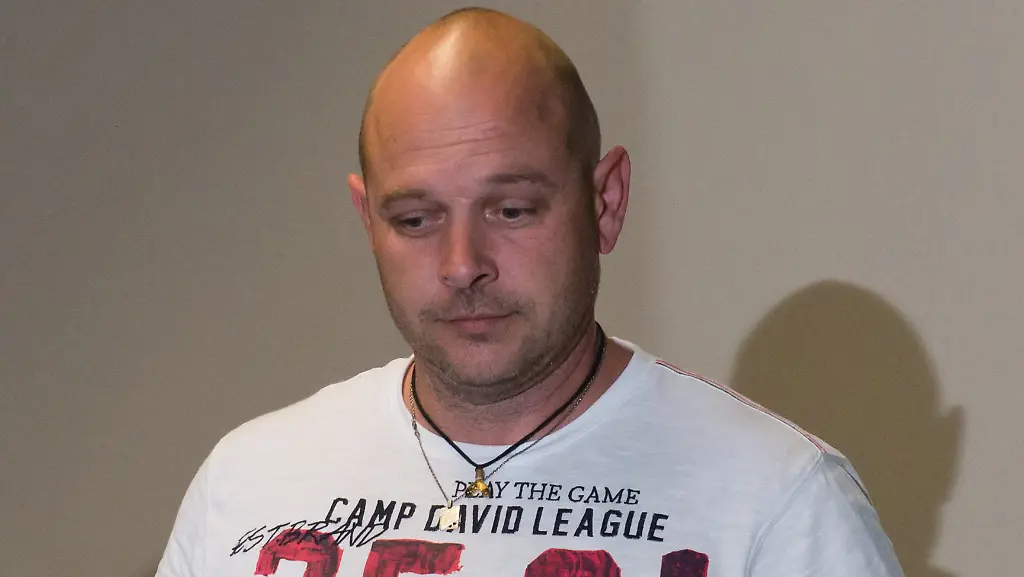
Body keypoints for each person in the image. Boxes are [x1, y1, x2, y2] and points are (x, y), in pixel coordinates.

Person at [155, 7, 904, 577]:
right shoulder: (248, 481)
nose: (462, 264)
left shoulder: (780, 499)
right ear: (367, 220)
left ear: (605, 202)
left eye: (511, 210)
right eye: (415, 219)